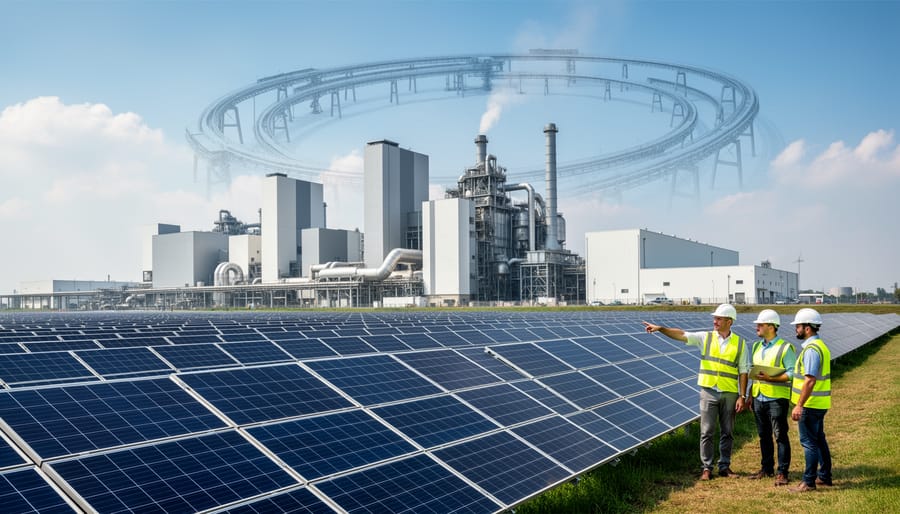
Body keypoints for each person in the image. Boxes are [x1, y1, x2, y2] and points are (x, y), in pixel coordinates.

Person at [643, 304, 750, 481]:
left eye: (719, 318)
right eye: (714, 318)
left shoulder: (740, 343)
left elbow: (744, 370)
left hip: (730, 393)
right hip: (708, 391)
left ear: (729, 322)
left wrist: (742, 395)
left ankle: (725, 466)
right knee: (706, 431)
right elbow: (682, 334)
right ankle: (706, 467)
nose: (714, 321)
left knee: (728, 431)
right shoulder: (705, 337)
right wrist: (661, 329)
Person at [746, 309, 795, 486]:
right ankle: (767, 468)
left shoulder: (785, 348)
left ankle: (782, 472)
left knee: (780, 435)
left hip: (776, 398)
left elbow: (792, 373)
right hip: (759, 396)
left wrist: (771, 378)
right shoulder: (757, 346)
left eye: (760, 324)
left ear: (772, 327)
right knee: (763, 435)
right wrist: (751, 394)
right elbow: (756, 372)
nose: (756, 327)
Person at [789, 307, 833, 492]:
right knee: (819, 440)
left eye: (798, 326)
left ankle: (808, 482)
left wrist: (799, 405)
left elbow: (810, 380)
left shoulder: (812, 350)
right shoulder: (820, 346)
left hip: (810, 405)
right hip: (819, 404)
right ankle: (824, 476)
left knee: (809, 443)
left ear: (808, 328)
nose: (796, 329)